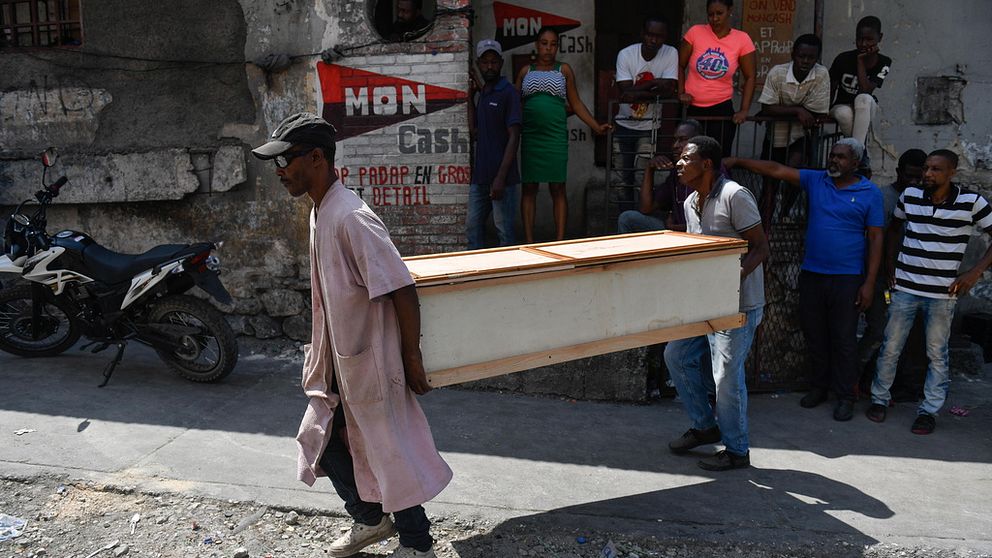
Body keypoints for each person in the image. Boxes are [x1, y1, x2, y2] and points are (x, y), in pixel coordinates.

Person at [251, 112, 451, 558]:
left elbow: (401, 286)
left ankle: (418, 547)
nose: (279, 171)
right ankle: (371, 520)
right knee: (322, 443)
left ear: (316, 158)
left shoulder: (351, 217)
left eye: (285, 160)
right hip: (339, 364)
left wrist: (411, 358)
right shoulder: (320, 213)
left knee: (388, 453)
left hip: (372, 363)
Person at [724, 138, 883, 422]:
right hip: (813, 273)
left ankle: (845, 395)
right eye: (832, 156)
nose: (833, 161)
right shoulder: (817, 180)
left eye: (841, 157)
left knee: (844, 338)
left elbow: (875, 238)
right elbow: (775, 169)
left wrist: (869, 283)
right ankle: (819, 387)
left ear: (856, 163)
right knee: (815, 333)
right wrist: (737, 161)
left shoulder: (870, 193)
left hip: (848, 277)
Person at [867, 150, 992, 435]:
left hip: (942, 294)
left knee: (937, 353)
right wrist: (891, 267)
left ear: (952, 173)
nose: (928, 174)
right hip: (905, 288)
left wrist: (974, 272)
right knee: (890, 347)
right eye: (926, 168)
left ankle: (928, 411)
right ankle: (879, 399)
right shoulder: (910, 196)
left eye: (936, 169)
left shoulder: (971, 202)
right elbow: (894, 228)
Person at [665, 135, 769, 471]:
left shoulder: (734, 195)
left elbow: (760, 248)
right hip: (705, 302)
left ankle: (738, 451)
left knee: (725, 376)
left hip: (739, 305)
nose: (678, 164)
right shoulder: (689, 202)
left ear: (706, 164)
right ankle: (704, 426)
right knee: (676, 355)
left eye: (685, 158)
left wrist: (733, 277)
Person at [516, 26, 610, 243]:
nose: (548, 49)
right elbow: (514, 104)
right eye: (544, 43)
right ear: (536, 45)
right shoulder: (525, 72)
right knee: (529, 187)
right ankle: (529, 242)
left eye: (553, 44)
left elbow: (575, 103)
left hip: (555, 137)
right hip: (532, 137)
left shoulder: (564, 70)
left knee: (557, 186)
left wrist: (596, 127)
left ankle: (560, 241)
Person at [857, 149, 928, 398]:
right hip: (882, 278)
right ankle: (855, 380)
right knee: (878, 331)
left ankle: (898, 384)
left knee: (907, 336)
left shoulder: (925, 197)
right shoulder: (883, 198)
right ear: (898, 172)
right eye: (910, 176)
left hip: (914, 279)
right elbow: (875, 239)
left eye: (920, 177)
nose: (915, 182)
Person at [678, 0, 756, 157]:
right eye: (711, 14)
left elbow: (750, 76)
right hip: (691, 108)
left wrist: (744, 110)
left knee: (718, 158)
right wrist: (681, 92)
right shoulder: (695, 32)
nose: (715, 18)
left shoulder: (742, 39)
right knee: (688, 157)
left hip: (721, 109)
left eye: (719, 13)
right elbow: (680, 65)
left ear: (730, 11)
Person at [466, 39, 521, 249]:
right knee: (472, 227)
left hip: (502, 179)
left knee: (504, 232)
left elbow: (514, 136)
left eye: (494, 61)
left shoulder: (509, 93)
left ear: (501, 62)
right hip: (480, 177)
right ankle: (477, 275)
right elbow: (475, 132)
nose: (490, 66)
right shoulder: (486, 93)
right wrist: (471, 99)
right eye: (485, 62)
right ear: (479, 64)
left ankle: (509, 278)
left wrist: (500, 178)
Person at [613, 14, 679, 190]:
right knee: (622, 179)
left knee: (643, 180)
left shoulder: (670, 53)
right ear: (642, 33)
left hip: (650, 127)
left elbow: (669, 90)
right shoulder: (626, 54)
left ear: (665, 37)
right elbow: (624, 91)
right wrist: (653, 83)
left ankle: (638, 216)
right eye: (650, 34)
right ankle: (624, 217)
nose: (653, 40)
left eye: (659, 36)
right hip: (623, 125)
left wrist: (636, 92)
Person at [757, 33, 830, 168]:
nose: (805, 61)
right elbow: (767, 107)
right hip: (775, 135)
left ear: (817, 58)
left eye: (811, 57)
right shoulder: (777, 73)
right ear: (793, 55)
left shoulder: (821, 74)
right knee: (769, 178)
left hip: (801, 135)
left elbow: (818, 111)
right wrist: (798, 110)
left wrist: (780, 109)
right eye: (801, 56)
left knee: (794, 174)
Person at [617, 119, 701, 234]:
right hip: (675, 232)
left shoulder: (709, 171)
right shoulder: (675, 174)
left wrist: (678, 228)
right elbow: (646, 208)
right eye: (675, 140)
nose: (675, 146)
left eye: (682, 140)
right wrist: (649, 169)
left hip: (700, 237)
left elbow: (710, 224)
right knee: (627, 218)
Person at [829, 16, 891, 147]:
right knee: (844, 114)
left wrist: (860, 61)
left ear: (880, 37)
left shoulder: (884, 62)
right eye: (860, 39)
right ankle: (859, 154)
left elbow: (866, 90)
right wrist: (824, 111)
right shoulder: (843, 58)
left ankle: (854, 154)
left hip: (865, 107)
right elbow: (831, 87)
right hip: (841, 105)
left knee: (864, 98)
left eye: (869, 39)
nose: (863, 44)